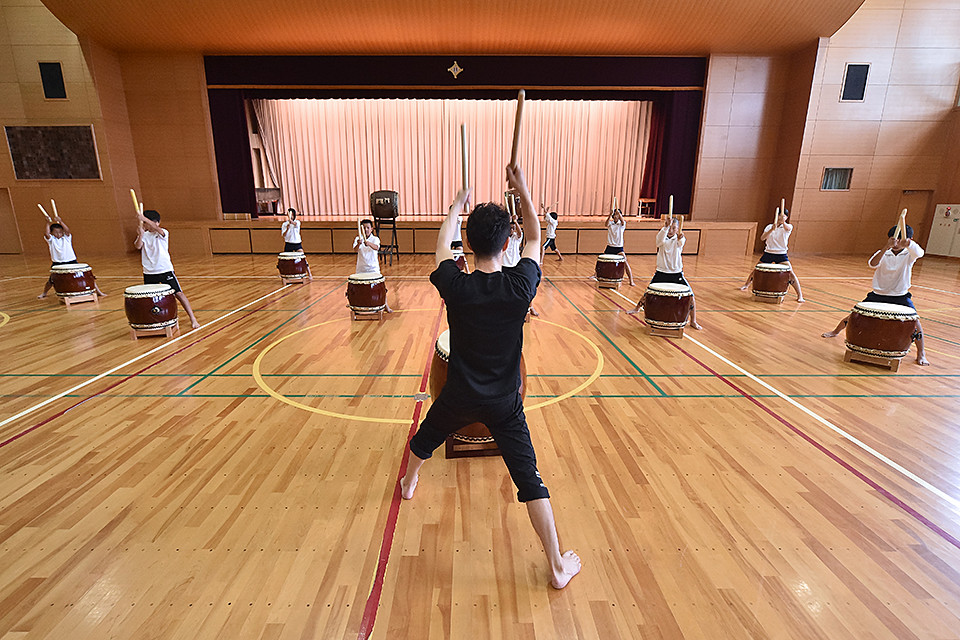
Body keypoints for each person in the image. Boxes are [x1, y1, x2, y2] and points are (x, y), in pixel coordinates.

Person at [399, 164, 581, 590]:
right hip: (504, 401)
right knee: (528, 476)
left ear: (468, 243)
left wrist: (454, 206)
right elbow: (536, 237)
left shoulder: (456, 286)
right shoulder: (520, 286)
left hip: (459, 394)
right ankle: (556, 565)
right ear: (506, 243)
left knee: (425, 438)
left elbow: (441, 248)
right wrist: (523, 191)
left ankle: (409, 483)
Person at [822, 225, 928, 365]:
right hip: (878, 293)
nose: (896, 243)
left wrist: (909, 244)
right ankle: (836, 331)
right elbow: (872, 263)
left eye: (899, 240)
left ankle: (921, 353)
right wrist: (886, 247)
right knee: (855, 315)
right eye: (893, 239)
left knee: (915, 323)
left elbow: (920, 253)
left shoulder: (909, 254)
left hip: (900, 295)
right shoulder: (884, 252)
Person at [627, 216, 702, 330]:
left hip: (676, 273)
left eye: (674, 228)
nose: (671, 230)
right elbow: (659, 242)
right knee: (648, 293)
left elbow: (681, 242)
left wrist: (680, 237)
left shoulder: (679, 239)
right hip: (661, 272)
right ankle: (637, 308)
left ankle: (693, 321)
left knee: (691, 296)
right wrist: (666, 227)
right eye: (670, 228)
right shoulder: (662, 238)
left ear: (678, 229)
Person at [134, 209, 200, 329]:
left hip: (165, 270)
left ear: (156, 222)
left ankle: (193, 319)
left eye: (147, 223)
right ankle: (155, 321)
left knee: (178, 294)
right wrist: (140, 235)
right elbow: (138, 246)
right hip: (149, 272)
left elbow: (157, 228)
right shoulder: (145, 235)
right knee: (150, 298)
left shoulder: (163, 232)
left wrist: (143, 218)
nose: (146, 225)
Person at [739, 208, 804, 302]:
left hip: (781, 254)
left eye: (783, 216)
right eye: (779, 216)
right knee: (757, 270)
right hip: (768, 253)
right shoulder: (769, 226)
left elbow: (788, 228)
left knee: (791, 273)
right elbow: (762, 238)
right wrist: (772, 229)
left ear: (786, 217)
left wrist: (782, 222)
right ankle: (746, 285)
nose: (781, 218)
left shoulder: (788, 226)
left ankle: (800, 295)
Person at [38, 215, 107, 299]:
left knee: (87, 277)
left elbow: (68, 231)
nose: (58, 234)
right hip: (57, 263)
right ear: (52, 233)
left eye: (60, 232)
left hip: (71, 261)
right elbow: (47, 233)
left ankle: (99, 292)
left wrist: (61, 221)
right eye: (56, 232)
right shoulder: (51, 240)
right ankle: (44, 293)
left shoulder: (66, 238)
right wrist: (48, 223)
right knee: (51, 281)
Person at [353, 218, 393, 312]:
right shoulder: (358, 239)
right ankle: (360, 307)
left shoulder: (375, 239)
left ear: (372, 229)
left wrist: (368, 243)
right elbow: (355, 250)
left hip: (373, 268)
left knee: (381, 287)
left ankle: (385, 305)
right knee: (360, 288)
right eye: (364, 228)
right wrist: (359, 244)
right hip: (361, 268)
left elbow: (376, 247)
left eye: (368, 228)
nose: (366, 230)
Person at [504, 214, 539, 317]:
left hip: (515, 265)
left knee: (525, 289)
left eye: (513, 229)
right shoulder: (503, 238)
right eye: (510, 228)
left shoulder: (516, 238)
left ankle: (530, 307)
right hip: (504, 265)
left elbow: (520, 233)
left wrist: (515, 221)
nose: (512, 230)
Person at [602, 206, 635, 287]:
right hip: (610, 246)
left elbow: (623, 221)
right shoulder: (610, 223)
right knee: (602, 262)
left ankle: (631, 280)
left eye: (617, 215)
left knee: (625, 263)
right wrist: (610, 214)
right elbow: (606, 224)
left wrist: (619, 213)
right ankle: (595, 275)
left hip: (618, 248)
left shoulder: (622, 224)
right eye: (615, 215)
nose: (616, 216)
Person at [281, 208, 313, 280]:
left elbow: (295, 224)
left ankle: (309, 273)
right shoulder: (284, 224)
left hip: (297, 243)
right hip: (288, 243)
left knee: (303, 258)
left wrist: (291, 222)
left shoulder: (297, 222)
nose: (291, 216)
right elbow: (284, 235)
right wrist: (287, 228)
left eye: (292, 215)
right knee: (286, 260)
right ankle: (285, 275)